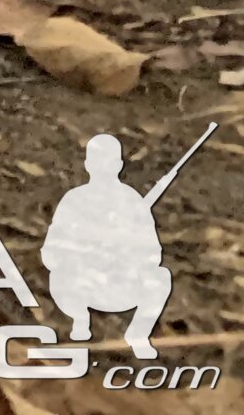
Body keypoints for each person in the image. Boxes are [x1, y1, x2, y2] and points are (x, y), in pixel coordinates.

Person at [42, 132, 174, 359]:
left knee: (160, 277)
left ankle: (138, 333)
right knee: (60, 275)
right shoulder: (74, 200)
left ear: (119, 165)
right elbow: (51, 250)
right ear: (88, 164)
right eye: (97, 161)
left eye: (109, 162)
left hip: (121, 285)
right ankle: (80, 320)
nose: (103, 168)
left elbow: (153, 253)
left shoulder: (132, 201)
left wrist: (126, 251)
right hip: (82, 285)